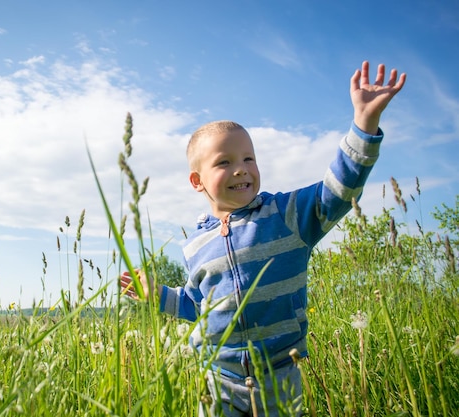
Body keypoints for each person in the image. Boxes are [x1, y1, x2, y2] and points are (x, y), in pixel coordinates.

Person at [120, 61, 406, 416]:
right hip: (218, 379)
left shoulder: (286, 215)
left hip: (280, 377)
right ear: (197, 182)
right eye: (224, 162)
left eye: (248, 158)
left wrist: (364, 125)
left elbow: (338, 190)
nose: (241, 168)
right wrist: (158, 295)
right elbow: (198, 306)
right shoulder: (194, 245)